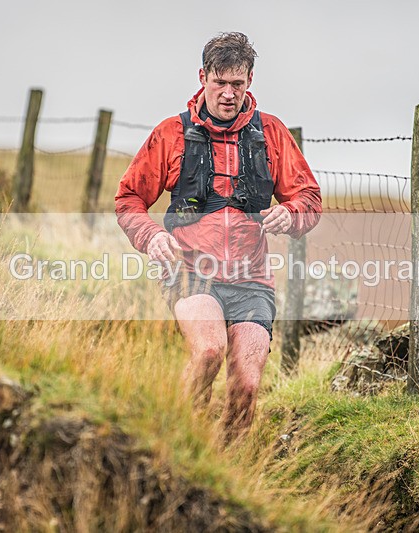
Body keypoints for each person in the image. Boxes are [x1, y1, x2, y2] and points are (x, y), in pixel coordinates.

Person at [115, 32, 322, 441]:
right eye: (220, 83)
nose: (228, 94)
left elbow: (309, 199)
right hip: (193, 272)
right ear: (203, 77)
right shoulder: (171, 134)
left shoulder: (271, 134)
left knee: (246, 384)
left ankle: (229, 461)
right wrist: (151, 236)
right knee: (209, 351)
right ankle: (178, 443)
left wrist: (291, 212)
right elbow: (128, 200)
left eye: (238, 84)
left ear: (250, 81)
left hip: (252, 280)